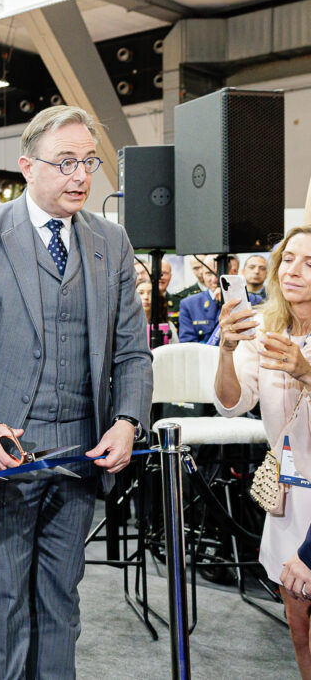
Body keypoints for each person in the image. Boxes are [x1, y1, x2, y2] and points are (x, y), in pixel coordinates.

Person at [0, 105, 152, 679]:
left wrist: (127, 421)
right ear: (27, 166)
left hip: (83, 453)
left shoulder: (111, 241)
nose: (81, 176)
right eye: (65, 162)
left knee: (62, 602)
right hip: (3, 457)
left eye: (89, 162)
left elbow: (133, 350)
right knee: (1, 603)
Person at [215, 226, 311, 678]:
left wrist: (305, 372)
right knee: (298, 622)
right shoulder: (265, 330)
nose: (294, 270)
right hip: (288, 494)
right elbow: (230, 403)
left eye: (310, 263)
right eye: (288, 258)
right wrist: (227, 348)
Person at [179, 255, 224, 343]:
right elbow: (187, 343)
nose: (214, 279)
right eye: (208, 273)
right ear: (202, 275)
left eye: (218, 273)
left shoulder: (246, 299)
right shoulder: (189, 304)